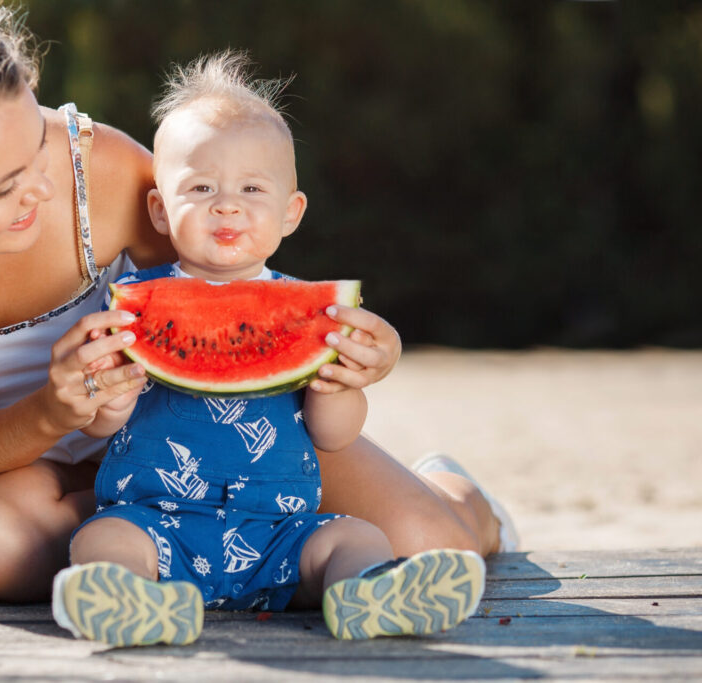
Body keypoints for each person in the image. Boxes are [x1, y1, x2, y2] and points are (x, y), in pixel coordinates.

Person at [0, 2, 514, 606]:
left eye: (37, 145)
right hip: (46, 472)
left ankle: (455, 490)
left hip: (196, 439)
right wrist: (54, 411)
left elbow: (234, 287)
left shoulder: (99, 173)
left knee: (427, 539)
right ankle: (146, 555)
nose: (41, 187)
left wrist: (338, 353)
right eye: (3, 186)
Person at [51, 51, 487, 647]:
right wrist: (112, 391)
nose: (226, 205)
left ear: (291, 213)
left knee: (357, 538)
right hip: (156, 527)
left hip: (283, 532)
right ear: (160, 209)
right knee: (99, 541)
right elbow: (104, 425)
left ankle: (370, 592)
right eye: (200, 187)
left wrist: (340, 386)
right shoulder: (131, 304)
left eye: (252, 188)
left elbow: (334, 437)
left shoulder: (315, 315)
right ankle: (135, 603)